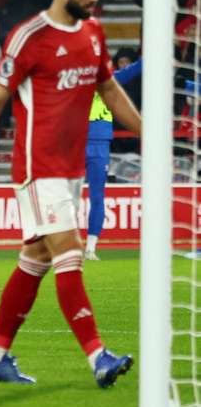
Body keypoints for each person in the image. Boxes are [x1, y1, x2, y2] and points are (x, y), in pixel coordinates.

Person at [0, 0, 141, 388]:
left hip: (72, 169)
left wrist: (147, 130)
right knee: (69, 252)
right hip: (38, 168)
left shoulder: (93, 33)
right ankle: (99, 357)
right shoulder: (29, 37)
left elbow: (109, 89)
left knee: (35, 258)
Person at [84, 58, 143, 260]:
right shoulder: (69, 83)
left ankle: (90, 248)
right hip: (71, 142)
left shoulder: (108, 82)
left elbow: (134, 70)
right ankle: (66, 245)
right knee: (67, 196)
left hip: (99, 143)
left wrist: (155, 51)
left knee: (97, 196)